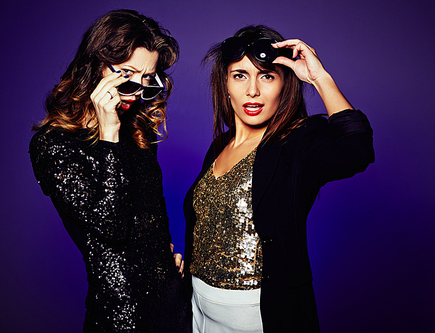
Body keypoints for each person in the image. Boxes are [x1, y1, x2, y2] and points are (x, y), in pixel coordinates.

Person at [183, 25, 374, 332]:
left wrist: (319, 79)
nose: (253, 90)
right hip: (198, 305)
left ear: (286, 83)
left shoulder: (297, 141)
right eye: (240, 75)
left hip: (256, 311)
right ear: (226, 84)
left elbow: (357, 150)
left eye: (267, 76)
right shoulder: (220, 145)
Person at [29, 9, 190, 332]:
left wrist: (162, 260)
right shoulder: (54, 145)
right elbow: (111, 226)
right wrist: (109, 134)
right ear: (96, 65)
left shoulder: (138, 130)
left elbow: (152, 214)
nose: (138, 89)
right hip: (122, 316)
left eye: (147, 78)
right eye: (127, 73)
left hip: (175, 304)